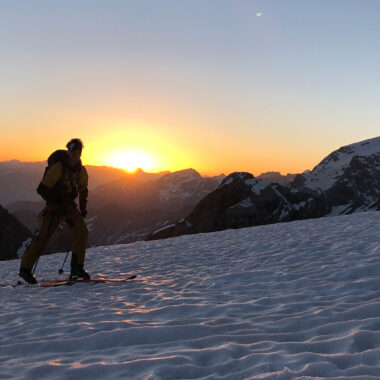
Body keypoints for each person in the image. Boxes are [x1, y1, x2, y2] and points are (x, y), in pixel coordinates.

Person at [19, 138, 90, 284]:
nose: (76, 154)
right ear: (69, 151)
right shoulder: (58, 168)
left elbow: (83, 190)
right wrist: (57, 201)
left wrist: (83, 209)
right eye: (74, 151)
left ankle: (77, 267)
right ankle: (25, 270)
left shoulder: (81, 171)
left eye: (79, 152)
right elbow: (41, 189)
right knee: (43, 238)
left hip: (68, 207)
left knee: (82, 230)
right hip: (54, 208)